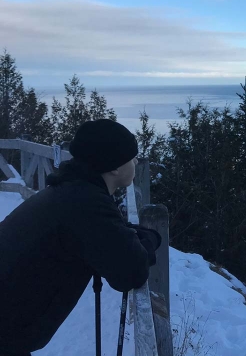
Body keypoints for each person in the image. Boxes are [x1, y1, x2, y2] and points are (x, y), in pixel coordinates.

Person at [0, 119, 162, 356]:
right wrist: (151, 240)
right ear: (114, 167)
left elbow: (109, 235)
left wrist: (133, 237)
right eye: (132, 156)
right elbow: (130, 272)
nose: (136, 162)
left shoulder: (70, 191)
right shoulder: (85, 203)